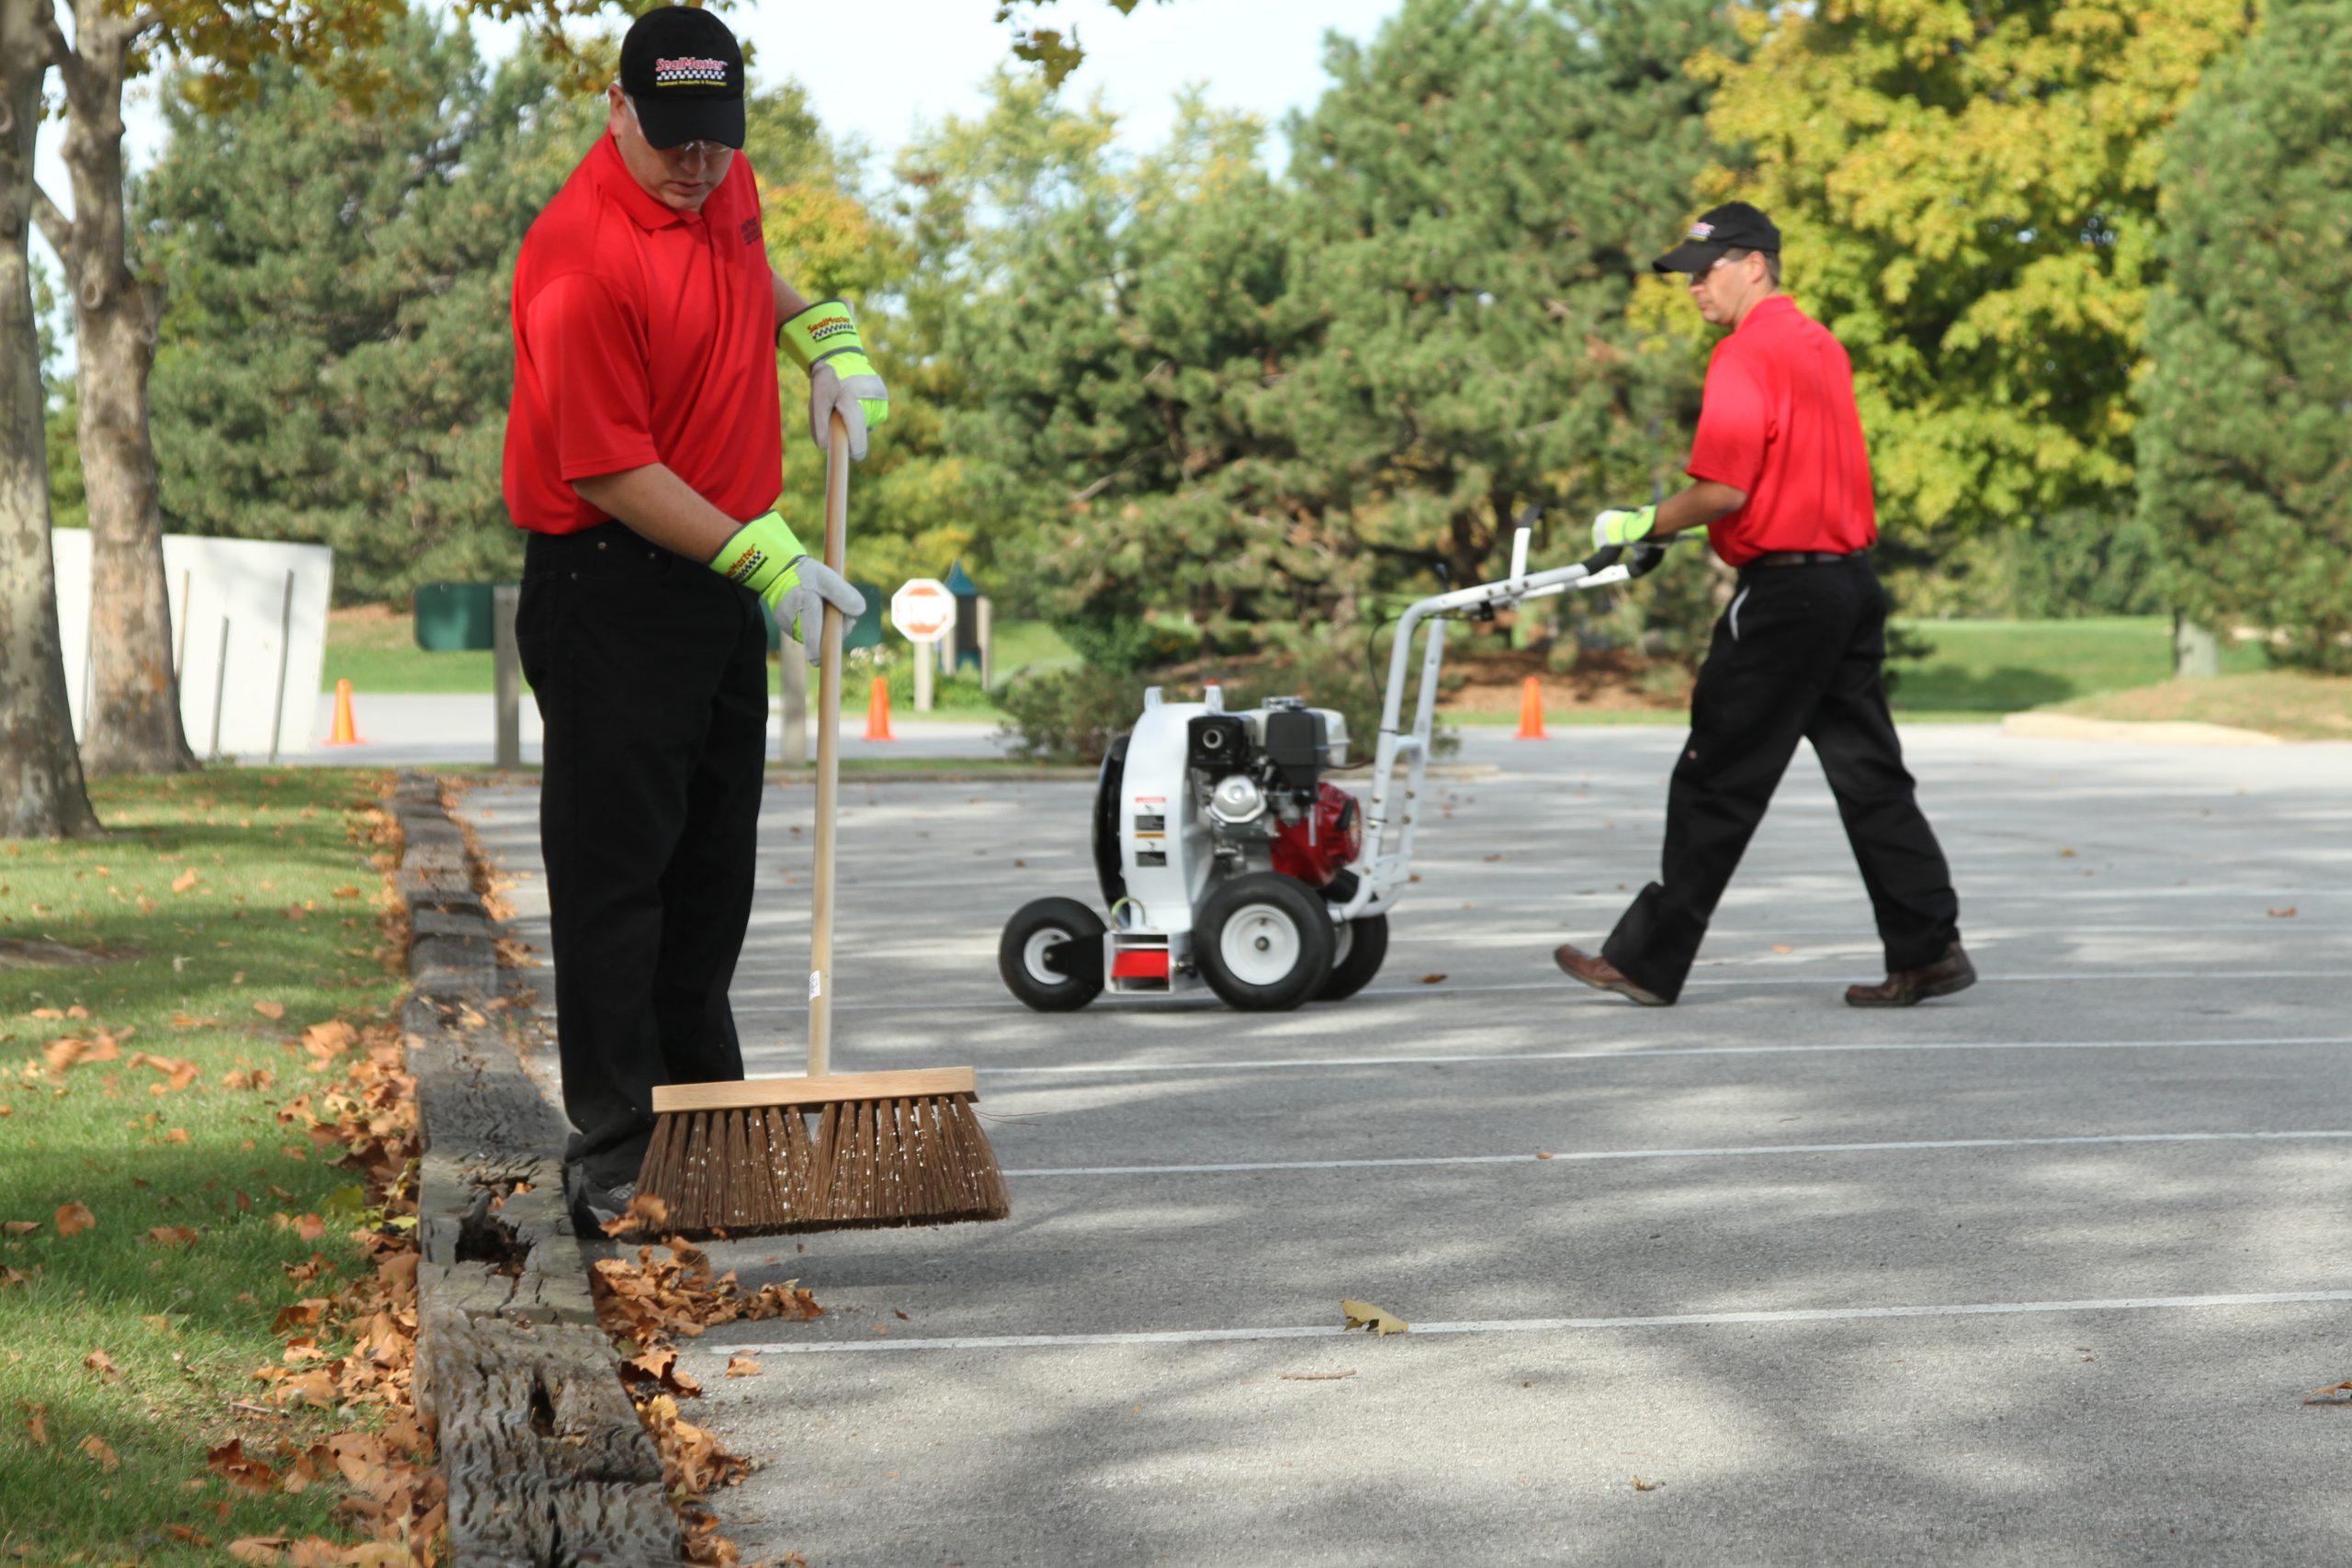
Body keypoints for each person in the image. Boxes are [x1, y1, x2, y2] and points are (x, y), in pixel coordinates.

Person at [501, 6, 882, 1227]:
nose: (697, 166)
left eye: (715, 139)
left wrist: (811, 330)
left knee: (711, 871)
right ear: (617, 110)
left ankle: (707, 1132)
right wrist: (759, 556)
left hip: (723, 571)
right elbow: (608, 469)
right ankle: (620, 1149)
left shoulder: (721, 175)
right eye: (671, 142)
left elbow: (741, 258)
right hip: (609, 581)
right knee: (621, 876)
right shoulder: (577, 261)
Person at [1551, 202, 1972, 1010]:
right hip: (1849, 583)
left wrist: (1644, 522)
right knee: (1870, 776)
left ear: (1755, 264)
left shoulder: (1744, 355)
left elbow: (1727, 487)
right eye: (1685, 276)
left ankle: (1646, 960)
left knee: (1717, 774)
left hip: (1786, 595)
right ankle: (1928, 947)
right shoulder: (1822, 346)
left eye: (1703, 272)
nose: (1693, 288)